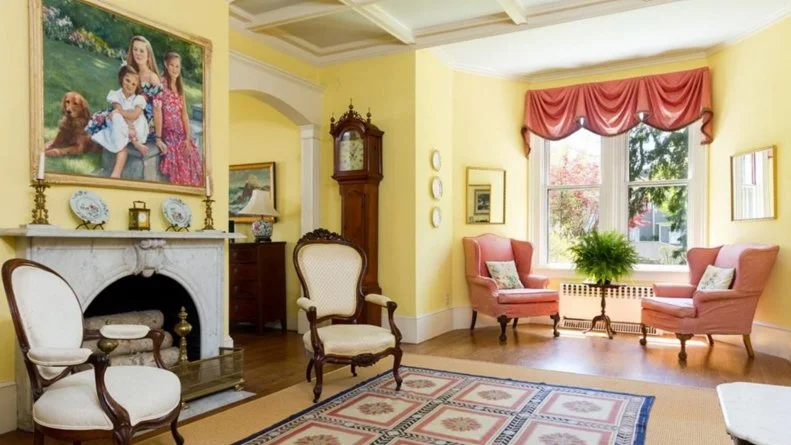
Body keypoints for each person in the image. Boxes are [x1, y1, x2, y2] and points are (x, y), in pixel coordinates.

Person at [89, 65, 148, 178]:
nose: (129, 85)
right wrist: (120, 116)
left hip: (136, 128)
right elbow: (118, 110)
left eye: (133, 84)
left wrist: (129, 125)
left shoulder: (138, 99)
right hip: (122, 127)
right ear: (121, 78)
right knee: (116, 117)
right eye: (127, 80)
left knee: (117, 115)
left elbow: (134, 116)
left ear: (137, 87)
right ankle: (117, 172)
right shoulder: (115, 95)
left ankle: (134, 142)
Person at [159, 51, 203, 186]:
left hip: (180, 130)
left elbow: (184, 114)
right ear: (166, 65)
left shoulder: (179, 88)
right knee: (178, 153)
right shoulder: (161, 83)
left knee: (190, 152)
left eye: (177, 66)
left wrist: (187, 136)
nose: (174, 69)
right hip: (168, 131)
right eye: (171, 65)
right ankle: (179, 184)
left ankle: (191, 188)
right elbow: (157, 109)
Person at [126, 35, 164, 150]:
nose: (137, 53)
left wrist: (158, 138)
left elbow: (157, 109)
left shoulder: (152, 78)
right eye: (135, 49)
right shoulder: (132, 72)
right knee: (105, 116)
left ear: (148, 55)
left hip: (145, 119)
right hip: (131, 111)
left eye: (141, 50)